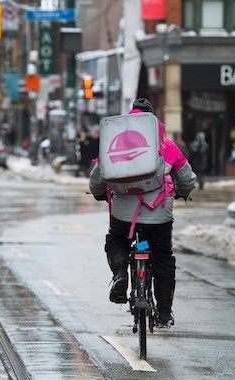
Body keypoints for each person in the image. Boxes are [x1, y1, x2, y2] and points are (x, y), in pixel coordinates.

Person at [89, 98, 197, 328]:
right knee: (163, 258)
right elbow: (187, 179)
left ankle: (120, 275)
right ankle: (165, 313)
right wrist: (181, 191)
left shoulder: (114, 143)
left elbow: (97, 178)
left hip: (123, 215)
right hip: (159, 214)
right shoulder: (166, 145)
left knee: (116, 241)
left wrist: (98, 193)